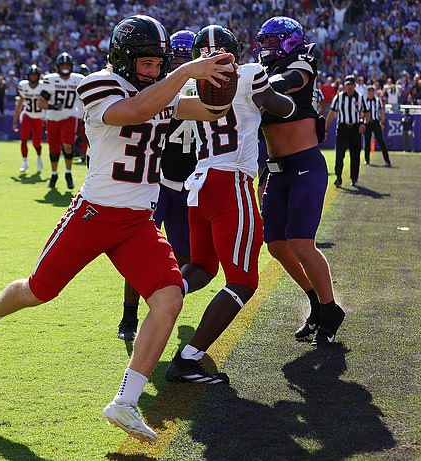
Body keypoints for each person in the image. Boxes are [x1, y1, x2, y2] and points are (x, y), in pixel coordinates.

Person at [0, 14, 236, 441]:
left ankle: (125, 401)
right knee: (39, 290)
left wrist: (220, 81)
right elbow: (136, 110)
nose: (155, 70)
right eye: (146, 63)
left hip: (138, 222)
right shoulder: (97, 84)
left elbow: (210, 110)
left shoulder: (163, 87)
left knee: (169, 298)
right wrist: (185, 72)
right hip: (93, 214)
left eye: (160, 62)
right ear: (124, 59)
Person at [164, 24, 296, 384]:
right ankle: (189, 358)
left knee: (202, 268)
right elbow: (283, 108)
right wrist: (276, 87)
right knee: (243, 280)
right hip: (231, 182)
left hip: (199, 185)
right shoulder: (250, 73)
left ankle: (160, 299)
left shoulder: (190, 85)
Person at [253, 16, 346, 347]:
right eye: (262, 42)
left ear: (288, 40)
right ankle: (316, 301)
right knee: (277, 245)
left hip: (305, 165)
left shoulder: (300, 61)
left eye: (270, 41)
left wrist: (263, 85)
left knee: (301, 242)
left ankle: (330, 308)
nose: (264, 48)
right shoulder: (262, 73)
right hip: (276, 170)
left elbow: (291, 80)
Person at [116, 29, 197, 342]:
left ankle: (162, 307)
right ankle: (128, 315)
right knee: (139, 251)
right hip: (158, 181)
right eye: (174, 59)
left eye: (183, 59)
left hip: (189, 182)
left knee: (188, 258)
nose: (177, 64)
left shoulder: (195, 89)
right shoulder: (160, 91)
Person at [40, 52, 85, 189]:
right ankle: (54, 174)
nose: (65, 67)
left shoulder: (78, 79)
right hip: (53, 119)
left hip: (69, 118)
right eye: (63, 65)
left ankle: (68, 173)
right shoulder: (50, 80)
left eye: (67, 65)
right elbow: (41, 102)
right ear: (58, 66)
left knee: (67, 145)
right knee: (53, 149)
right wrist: (52, 106)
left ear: (71, 66)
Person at [325, 74, 369, 187]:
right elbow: (332, 113)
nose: (349, 87)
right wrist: (325, 128)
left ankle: (354, 178)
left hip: (355, 128)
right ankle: (338, 177)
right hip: (343, 128)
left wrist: (364, 124)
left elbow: (367, 112)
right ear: (345, 85)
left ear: (355, 85)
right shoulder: (339, 97)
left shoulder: (360, 97)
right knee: (340, 154)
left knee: (355, 155)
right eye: (347, 84)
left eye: (351, 85)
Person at [13, 64, 52, 174]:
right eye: (31, 75)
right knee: (23, 139)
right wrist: (15, 121)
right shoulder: (23, 85)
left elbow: (48, 102)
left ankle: (39, 157)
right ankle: (25, 162)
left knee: (36, 142)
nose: (33, 77)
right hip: (27, 115)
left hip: (39, 117)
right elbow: (19, 104)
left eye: (35, 75)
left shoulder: (43, 86)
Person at [363, 85, 391, 167]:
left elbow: (381, 112)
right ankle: (367, 159)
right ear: (367, 92)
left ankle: (387, 160)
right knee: (367, 142)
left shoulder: (377, 101)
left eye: (372, 91)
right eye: (369, 91)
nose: (370, 93)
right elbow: (361, 112)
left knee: (381, 141)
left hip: (375, 122)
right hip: (367, 123)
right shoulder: (365, 101)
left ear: (374, 92)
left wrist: (383, 122)